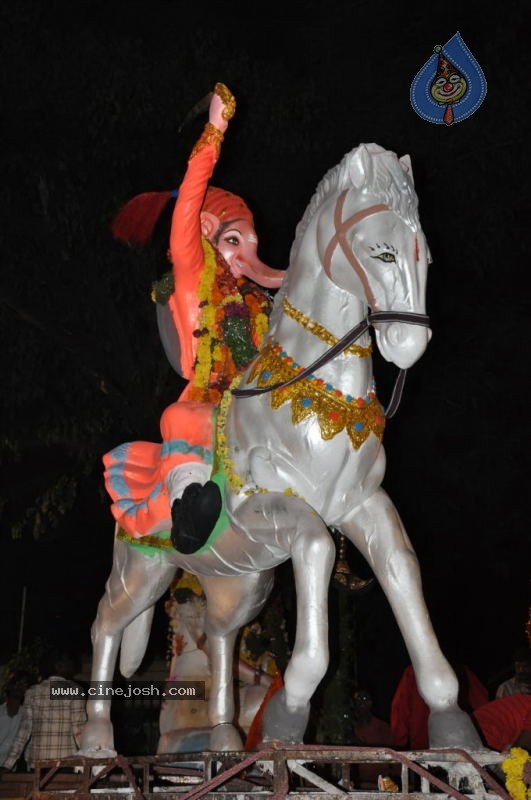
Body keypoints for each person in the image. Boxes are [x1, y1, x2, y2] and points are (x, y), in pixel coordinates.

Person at [104, 82, 285, 555]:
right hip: (206, 399)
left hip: (252, 402)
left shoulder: (257, 305)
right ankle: (188, 514)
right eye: (233, 241)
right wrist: (214, 130)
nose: (246, 256)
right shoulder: (194, 272)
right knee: (187, 418)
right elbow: (188, 202)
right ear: (206, 233)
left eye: (251, 245)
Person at [2, 650, 86, 771]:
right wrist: (88, 759)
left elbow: (24, 732)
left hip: (37, 763)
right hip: (65, 762)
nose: (73, 665)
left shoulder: (32, 692)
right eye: (69, 661)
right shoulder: (75, 690)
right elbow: (79, 729)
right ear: (58, 666)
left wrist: (7, 765)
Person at [390, 662, 489, 750]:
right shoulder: (461, 670)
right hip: (462, 745)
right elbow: (484, 708)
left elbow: (400, 712)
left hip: (425, 749)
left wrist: (399, 743)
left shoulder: (413, 672)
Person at [350, 689, 399, 789]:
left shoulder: (382, 727)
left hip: (381, 782)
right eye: (358, 699)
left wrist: (395, 781)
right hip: (357, 783)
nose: (361, 702)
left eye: (364, 699)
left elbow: (396, 755)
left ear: (370, 703)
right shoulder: (350, 727)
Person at [0, 672, 32, 768]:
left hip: (13, 770)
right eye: (16, 683)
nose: (19, 686)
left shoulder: (28, 716)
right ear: (8, 686)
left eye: (24, 684)